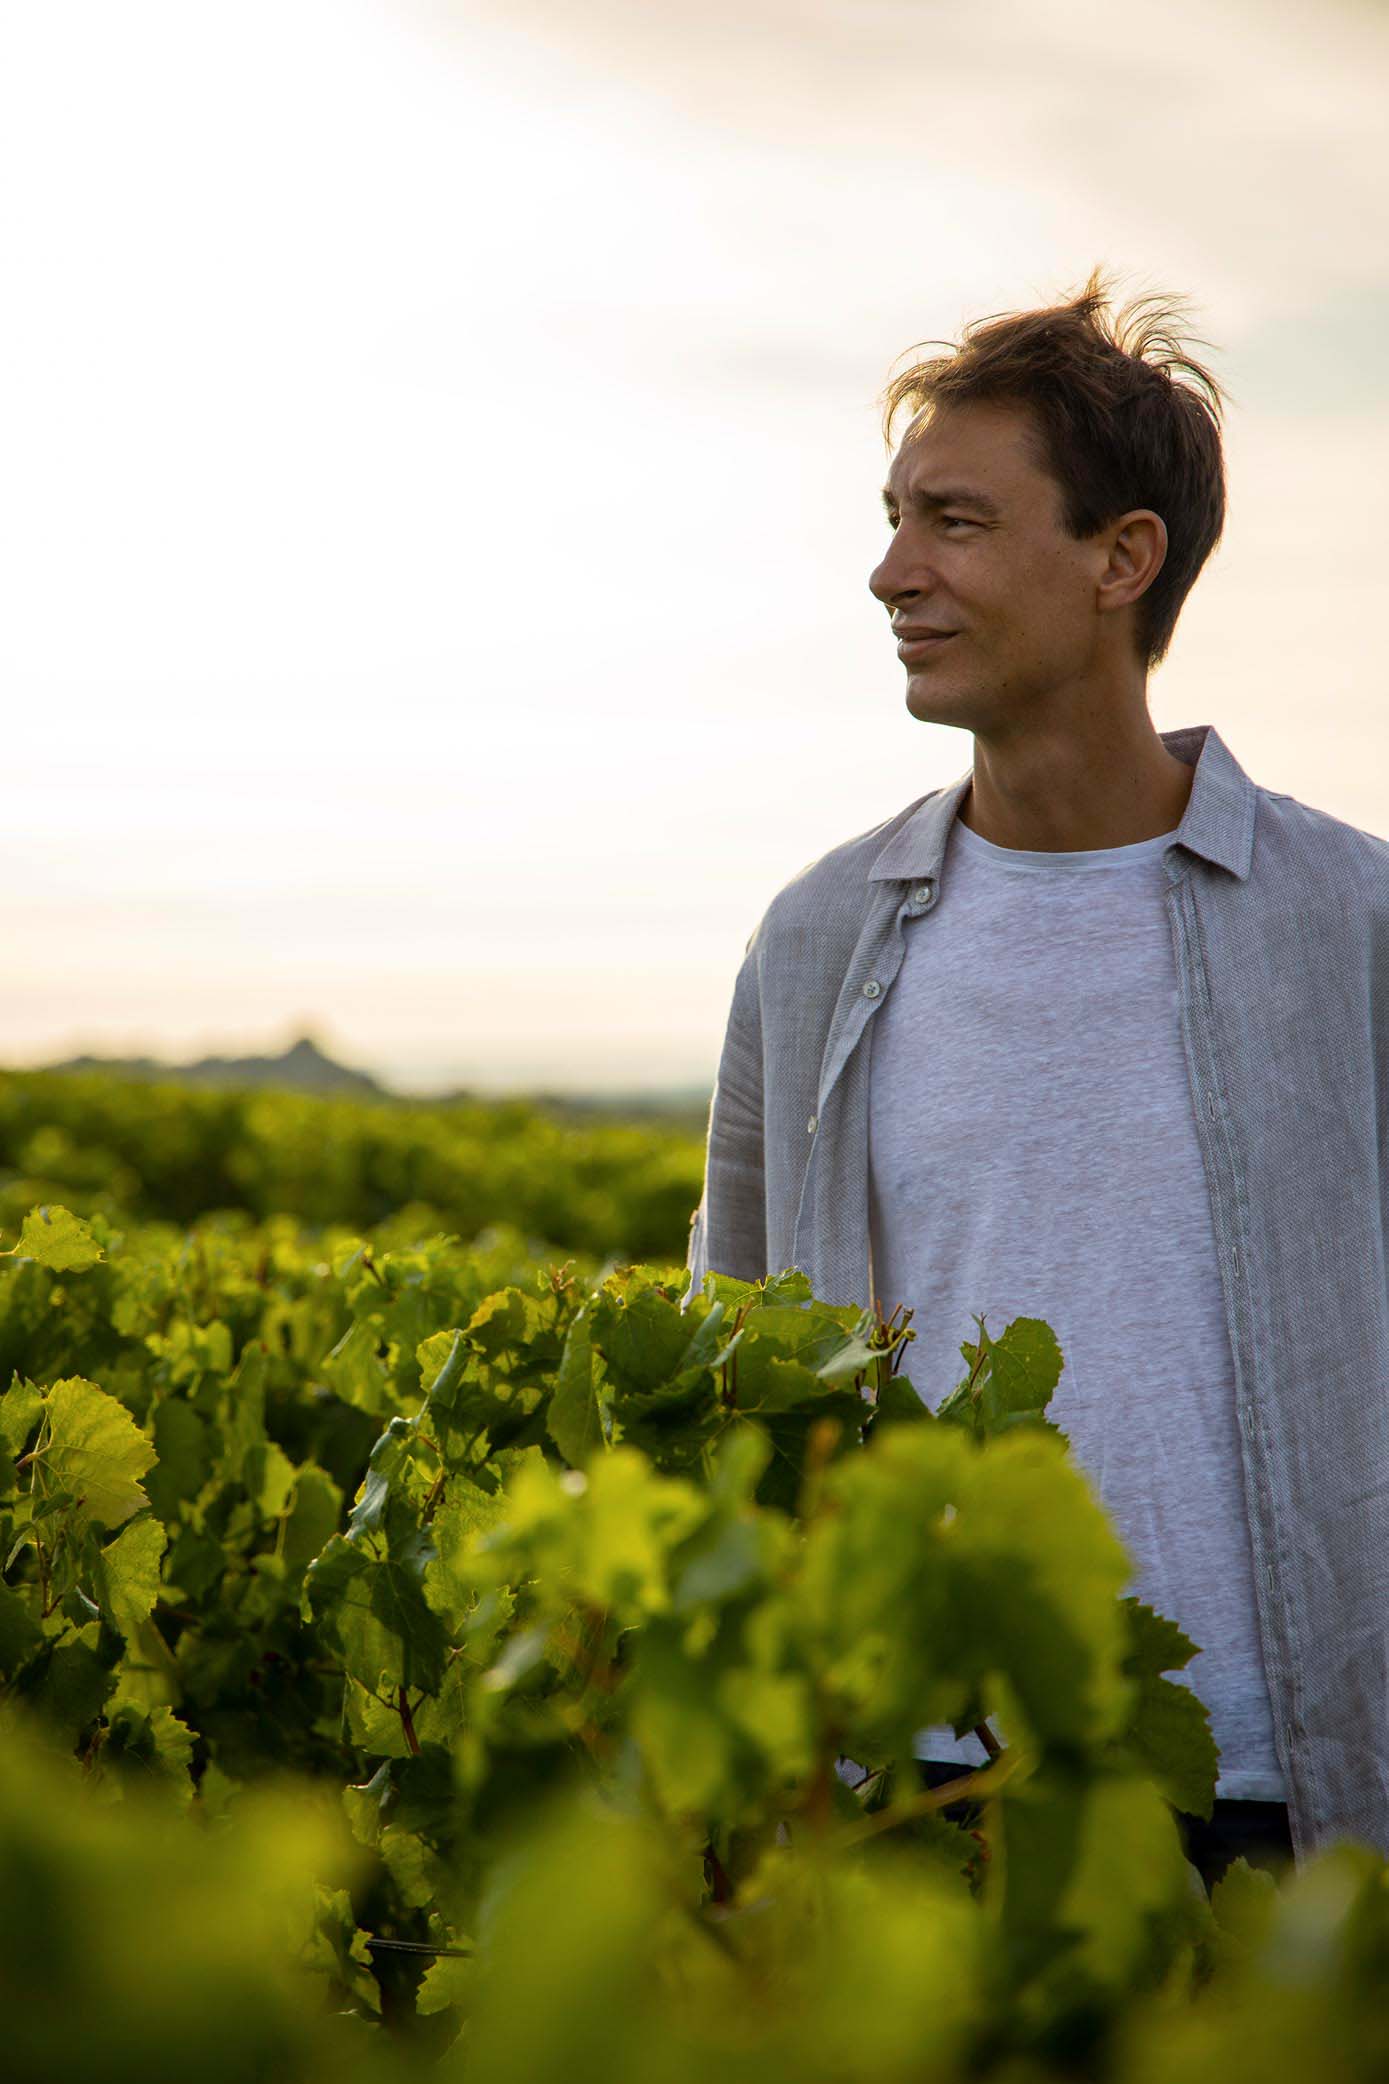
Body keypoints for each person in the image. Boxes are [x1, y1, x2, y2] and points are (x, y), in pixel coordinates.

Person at [684, 268, 1389, 1877]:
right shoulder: (809, 943)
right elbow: (734, 1365)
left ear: (1118, 560)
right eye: (892, 518)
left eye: (954, 522)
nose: (888, 572)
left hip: (1291, 1797)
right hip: (909, 1800)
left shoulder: (1355, 925)